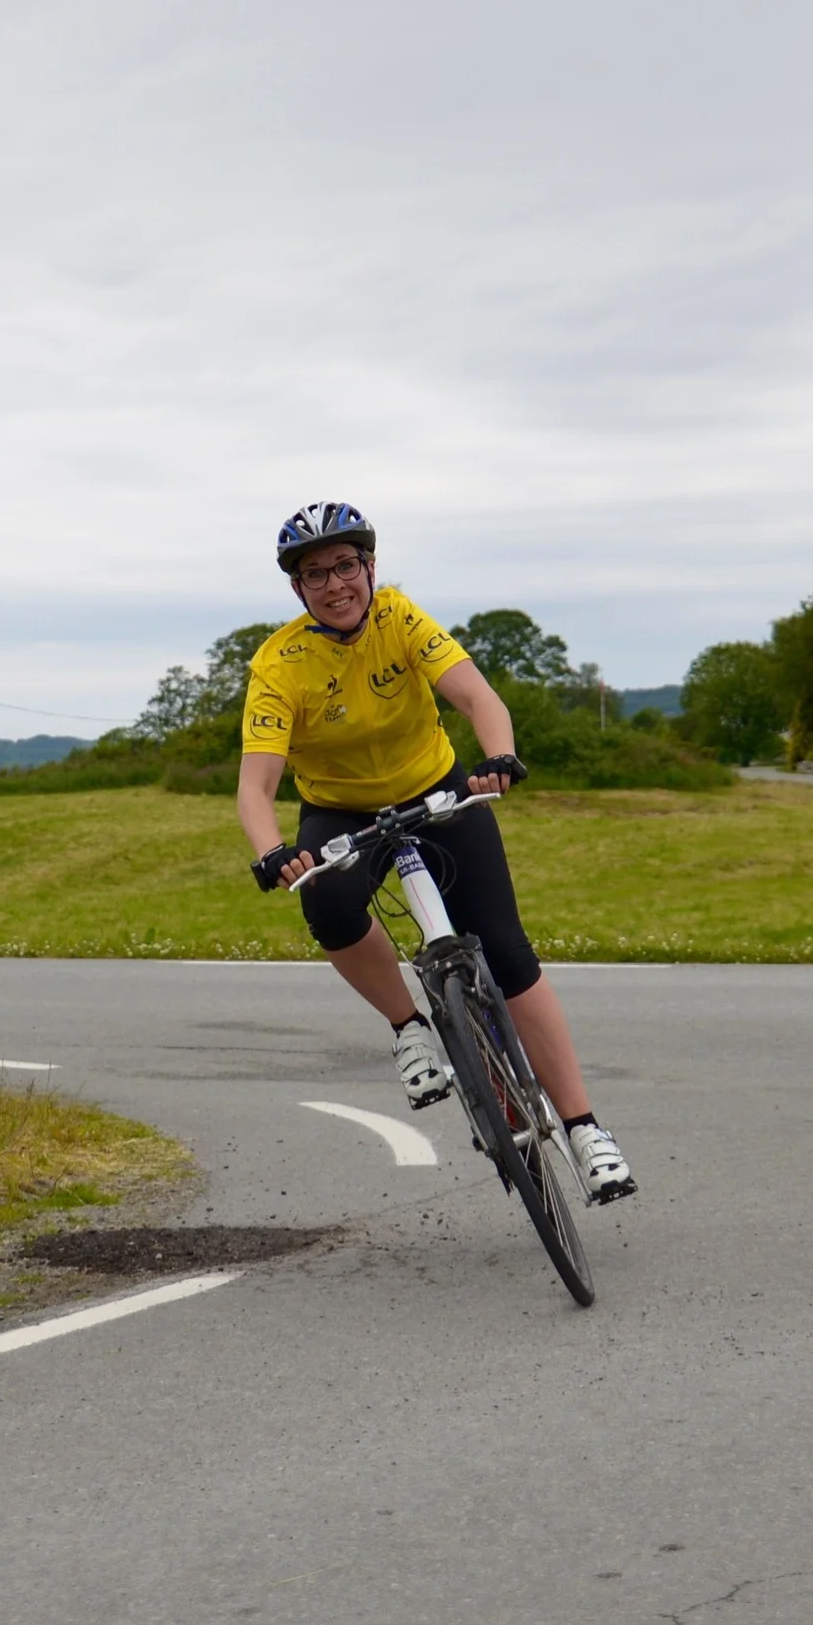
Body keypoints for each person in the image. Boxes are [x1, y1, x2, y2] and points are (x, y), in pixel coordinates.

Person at [235, 501, 635, 1203]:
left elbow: (478, 698)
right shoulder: (279, 663)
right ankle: (408, 1026)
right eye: (315, 574)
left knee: (507, 953)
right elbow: (256, 785)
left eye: (346, 565)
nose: (335, 584)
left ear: (370, 567)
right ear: (297, 589)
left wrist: (498, 755)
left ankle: (584, 1128)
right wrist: (273, 851)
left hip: (436, 787)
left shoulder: (400, 617)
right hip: (340, 808)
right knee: (328, 903)